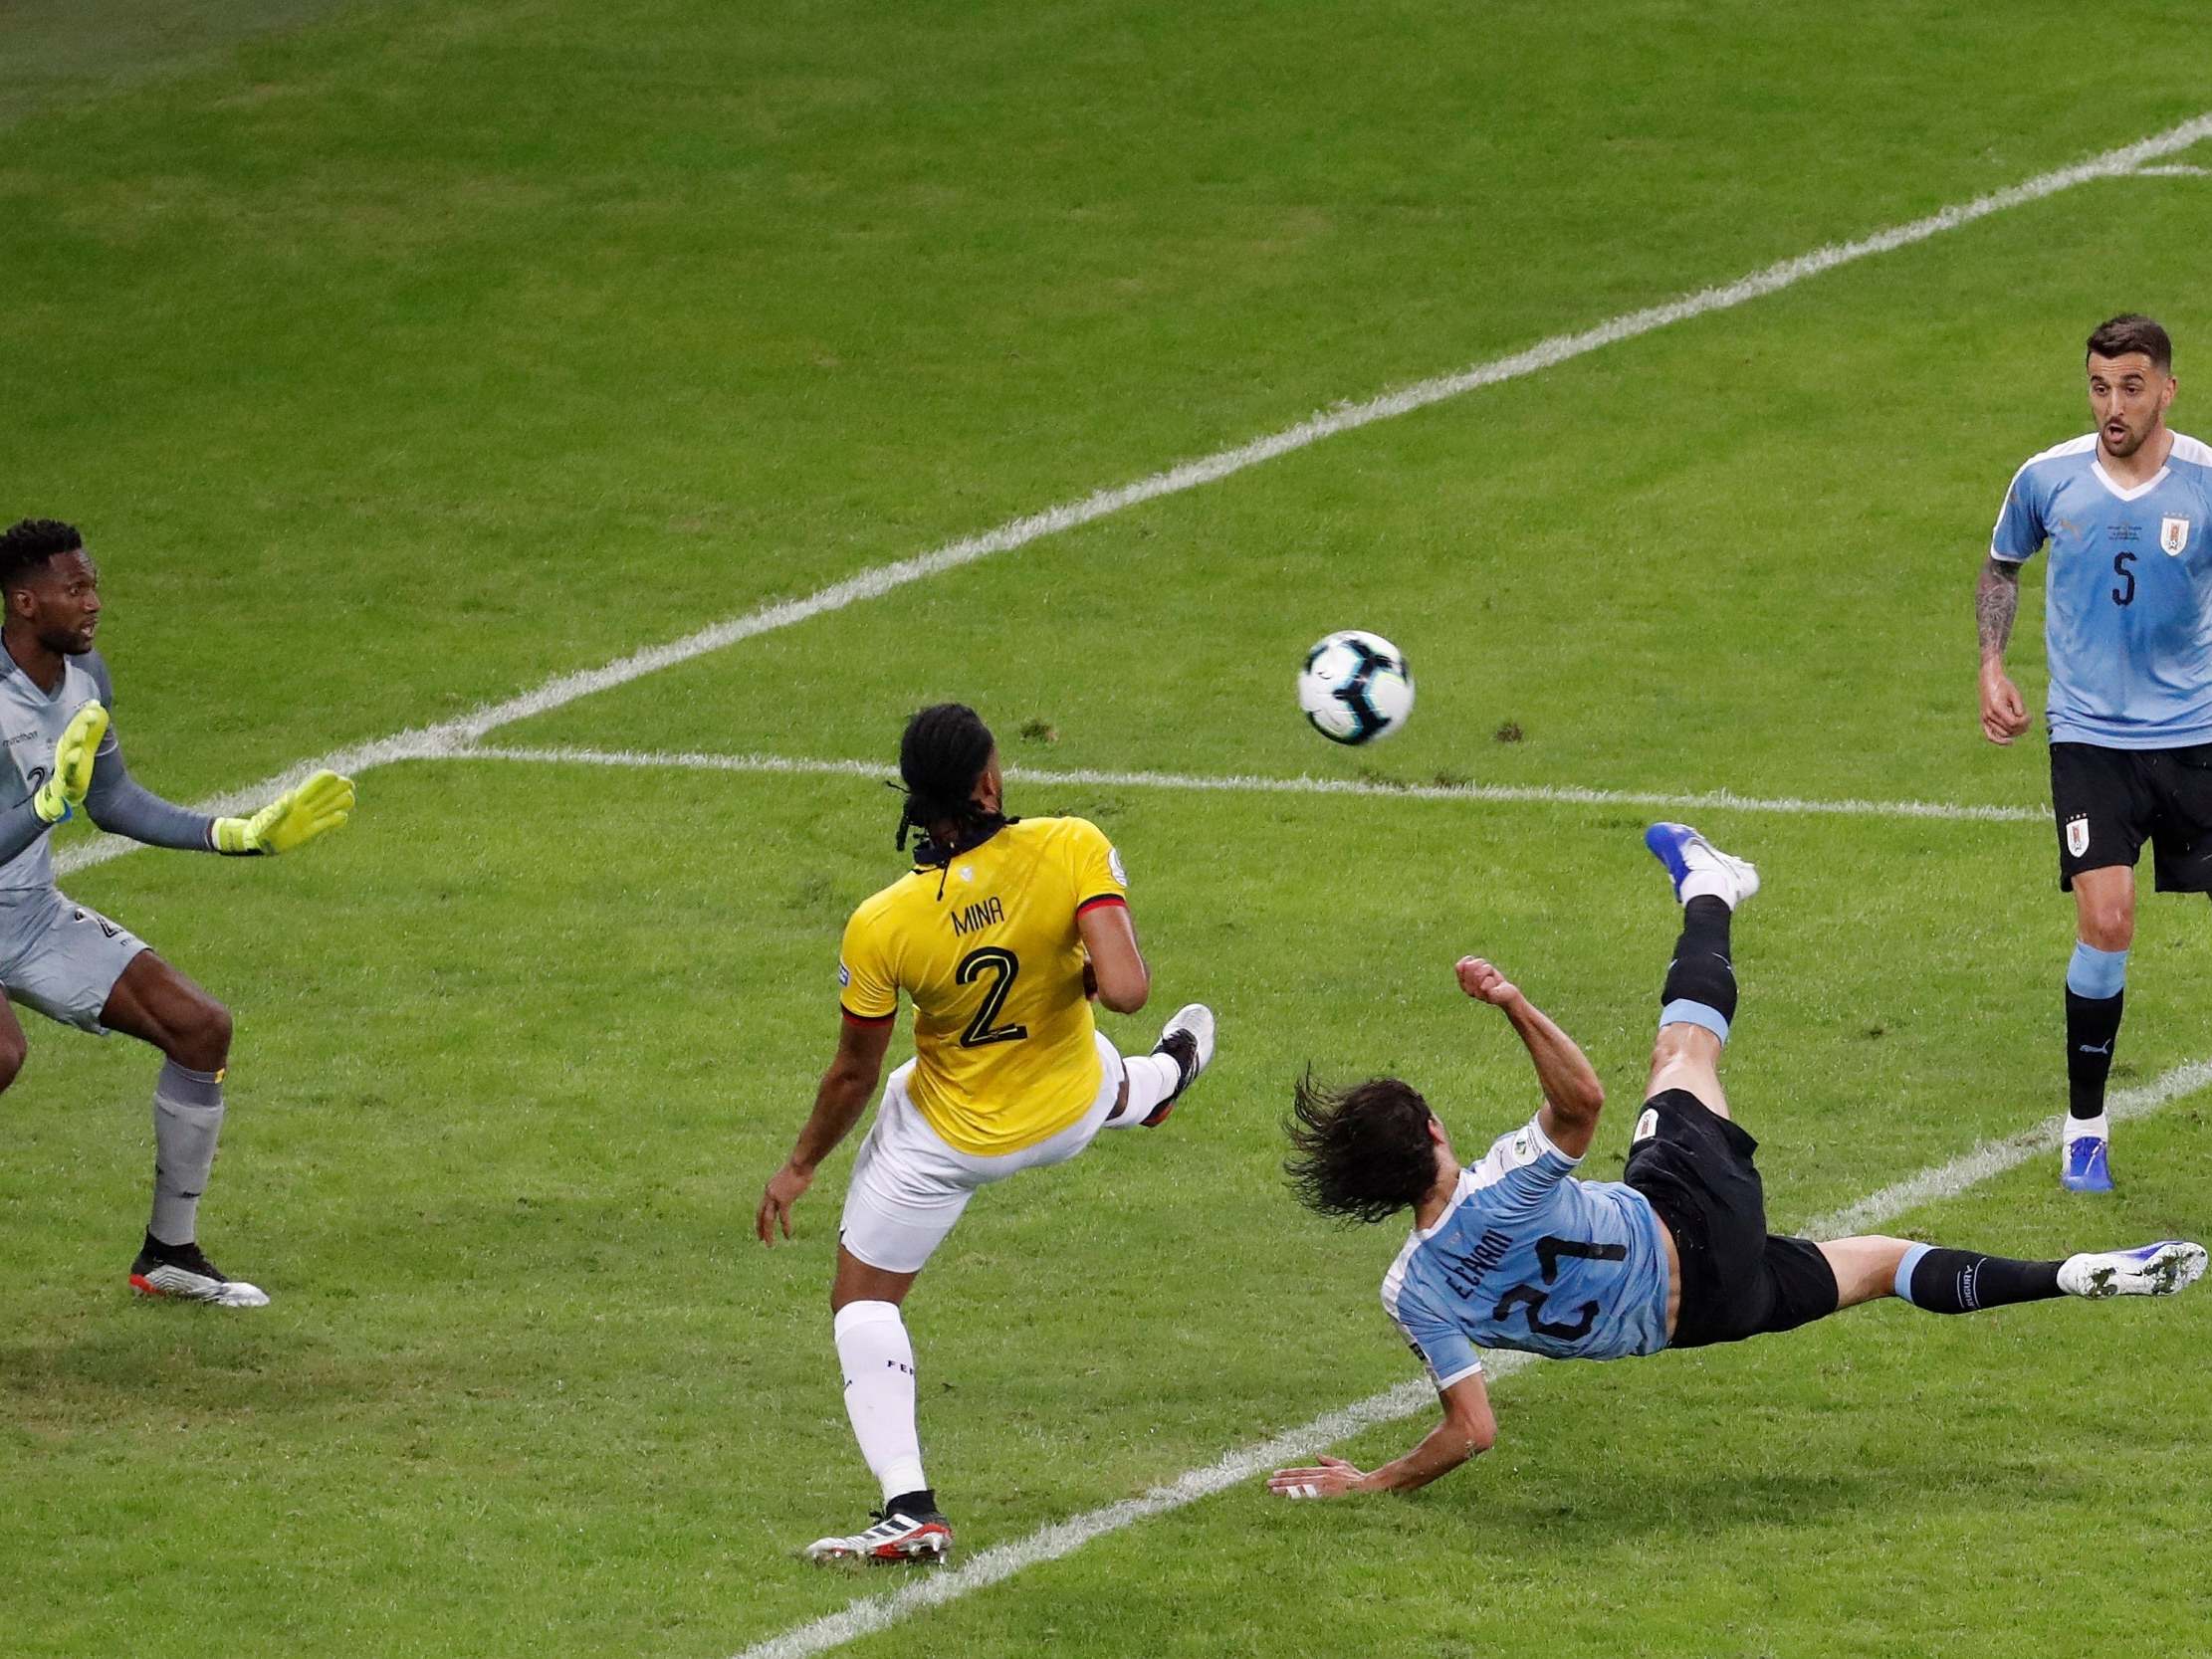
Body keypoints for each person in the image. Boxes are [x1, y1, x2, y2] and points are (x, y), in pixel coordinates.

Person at [1265, 823, 2204, 1500]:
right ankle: (1709, 884)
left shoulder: (1410, 1292)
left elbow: (1474, 1429)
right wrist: (1512, 1002)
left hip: (1703, 1318)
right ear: (1432, 1130)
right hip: (1690, 1214)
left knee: (1881, 1264)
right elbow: (1581, 1106)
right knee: (1680, 1056)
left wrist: (1372, 1481)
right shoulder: (1502, 1184)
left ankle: (2073, 1275)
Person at [756, 702, 1216, 1562]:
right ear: (988, 782)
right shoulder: (1070, 843)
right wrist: (1075, 964)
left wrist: (799, 1164)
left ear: (914, 800)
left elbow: (851, 1074)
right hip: (1070, 1104)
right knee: (1112, 1073)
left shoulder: (884, 920)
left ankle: (911, 1506)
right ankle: (1164, 1078)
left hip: (950, 1142)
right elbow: (1125, 990)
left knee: (861, 1303)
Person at [0, 519, 355, 1307]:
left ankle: (170, 1253)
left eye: (93, 583)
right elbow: (53, 806)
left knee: (200, 1027)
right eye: (75, 588)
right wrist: (44, 807)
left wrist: (234, 835)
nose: (94, 602)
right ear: (24, 601)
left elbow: (115, 798)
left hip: (24, 913)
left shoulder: (85, 675)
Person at [1975, 314, 2212, 1192]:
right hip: (2090, 743)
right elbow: (2002, 566)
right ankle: (2085, 1129)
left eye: (2133, 386)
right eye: (2101, 386)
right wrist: (1993, 664)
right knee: (2106, 920)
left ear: (2167, 389)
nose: (2115, 405)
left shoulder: (2205, 484)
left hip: (2197, 738)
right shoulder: (2048, 478)